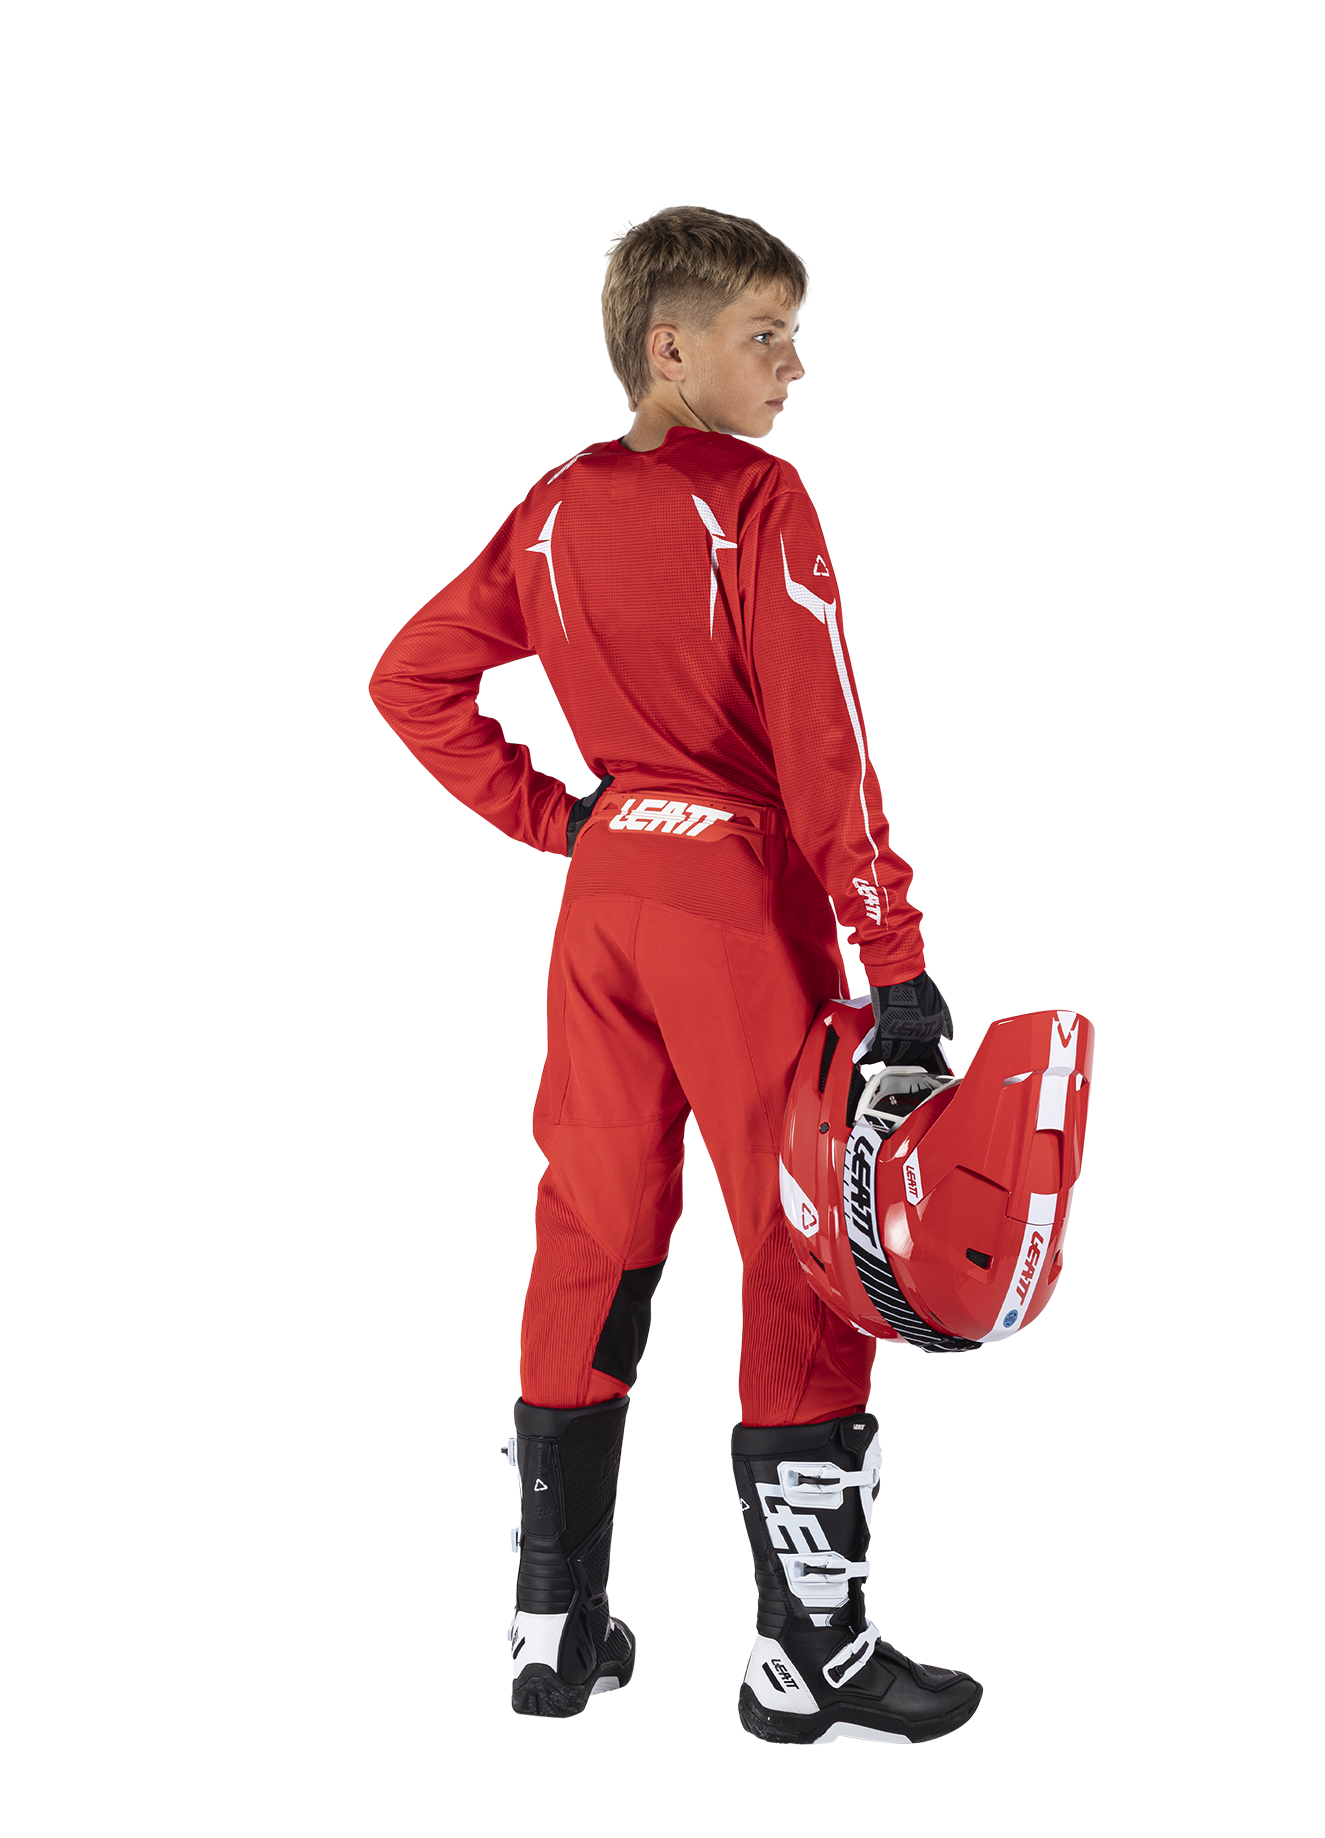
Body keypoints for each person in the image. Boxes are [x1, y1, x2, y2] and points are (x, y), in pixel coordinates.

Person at [370, 207, 982, 1745]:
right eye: (764, 336)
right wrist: (896, 959)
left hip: (609, 905)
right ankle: (809, 1655)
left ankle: (553, 1629)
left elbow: (410, 677)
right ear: (669, 348)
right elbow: (825, 740)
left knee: (591, 1231)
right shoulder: (755, 500)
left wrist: (564, 818)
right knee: (800, 1241)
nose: (793, 366)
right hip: (733, 905)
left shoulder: (554, 511)